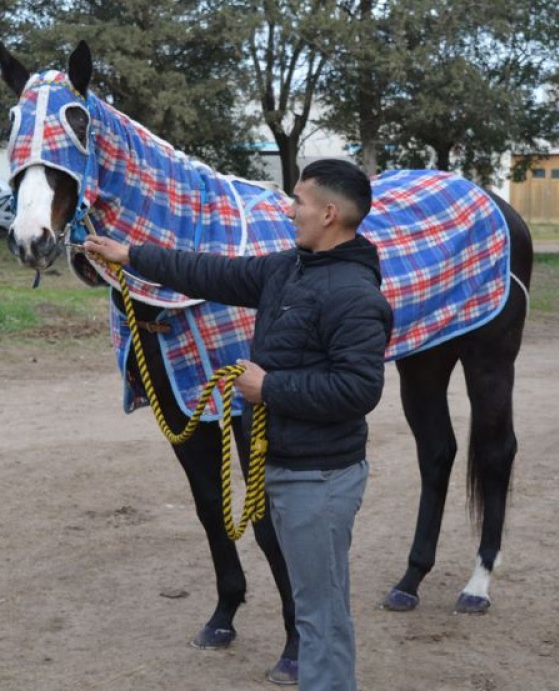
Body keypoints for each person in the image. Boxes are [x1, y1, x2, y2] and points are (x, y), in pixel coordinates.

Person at [84, 159, 392, 691]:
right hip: (287, 466)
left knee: (321, 615)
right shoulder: (288, 269)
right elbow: (207, 272)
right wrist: (129, 255)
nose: (288, 209)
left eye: (298, 200)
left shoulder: (352, 294)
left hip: (316, 478)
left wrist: (266, 389)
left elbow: (360, 390)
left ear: (330, 213)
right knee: (320, 604)